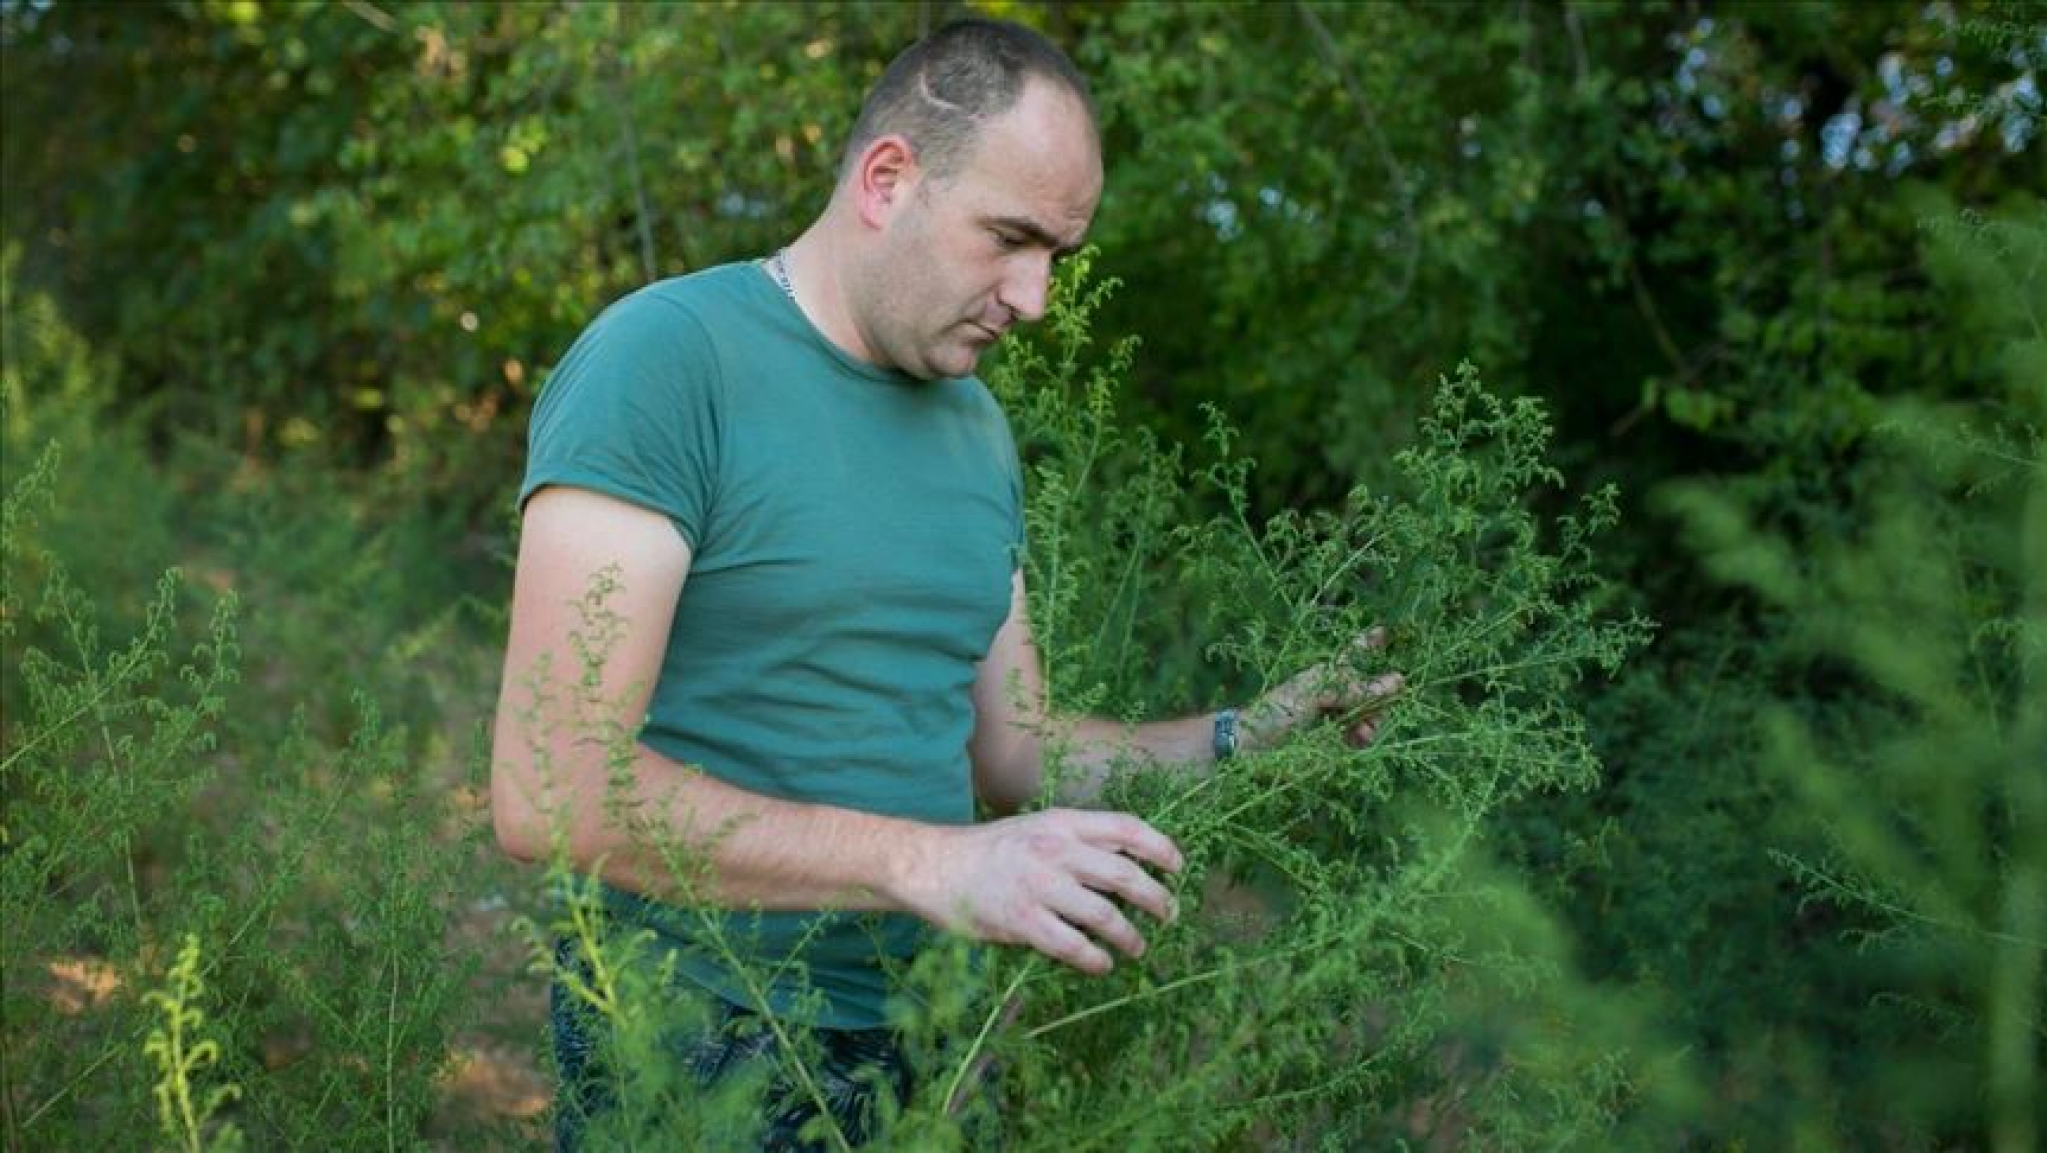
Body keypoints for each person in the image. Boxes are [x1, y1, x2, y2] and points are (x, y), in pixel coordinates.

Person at [489, 17, 1401, 1150]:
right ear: (887, 179)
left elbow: (1013, 754)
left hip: (916, 1031)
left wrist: (1248, 732)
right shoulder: (665, 362)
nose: (1034, 300)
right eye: (1009, 238)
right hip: (695, 1025)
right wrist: (932, 864)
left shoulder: (976, 431)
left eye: (1056, 257)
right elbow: (549, 790)